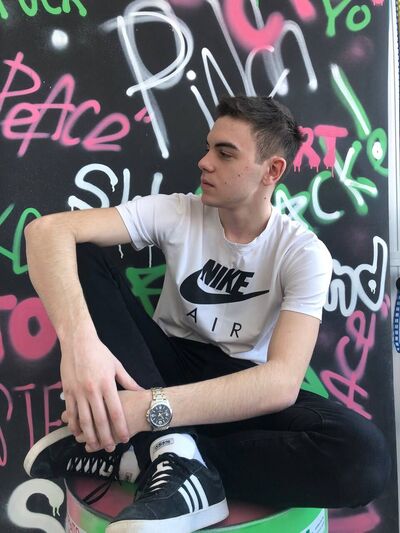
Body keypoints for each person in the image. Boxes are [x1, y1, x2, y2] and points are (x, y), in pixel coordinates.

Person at [23, 96, 390, 533]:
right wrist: (80, 347)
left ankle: (146, 455)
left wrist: (147, 413)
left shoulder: (303, 252)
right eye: (208, 147)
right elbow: (45, 232)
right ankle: (171, 455)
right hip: (158, 366)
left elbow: (280, 382)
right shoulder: (178, 211)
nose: (204, 162)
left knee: (363, 457)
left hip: (237, 391)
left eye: (225, 153)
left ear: (272, 171)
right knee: (80, 251)